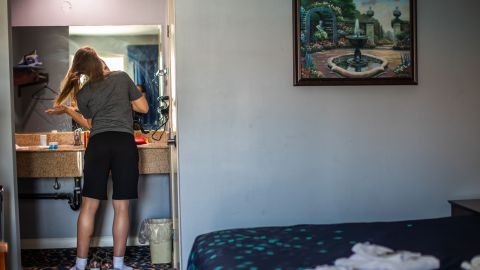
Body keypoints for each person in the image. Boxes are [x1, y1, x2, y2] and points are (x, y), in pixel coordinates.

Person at [46, 46, 148, 270]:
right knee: (121, 207)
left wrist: (67, 111)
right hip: (123, 143)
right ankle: (119, 265)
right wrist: (124, 100)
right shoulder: (122, 77)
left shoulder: (83, 92)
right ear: (99, 61)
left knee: (88, 207)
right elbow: (143, 107)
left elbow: (91, 125)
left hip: (98, 144)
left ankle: (80, 265)